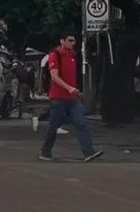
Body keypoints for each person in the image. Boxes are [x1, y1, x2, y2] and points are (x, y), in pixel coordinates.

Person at [39, 33, 103, 162]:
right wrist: (69, 88)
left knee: (80, 123)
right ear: (62, 41)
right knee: (53, 126)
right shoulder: (55, 55)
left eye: (74, 41)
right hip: (58, 98)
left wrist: (76, 90)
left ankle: (89, 152)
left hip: (73, 98)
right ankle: (45, 151)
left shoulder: (72, 55)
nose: (73, 43)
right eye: (70, 40)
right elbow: (54, 76)